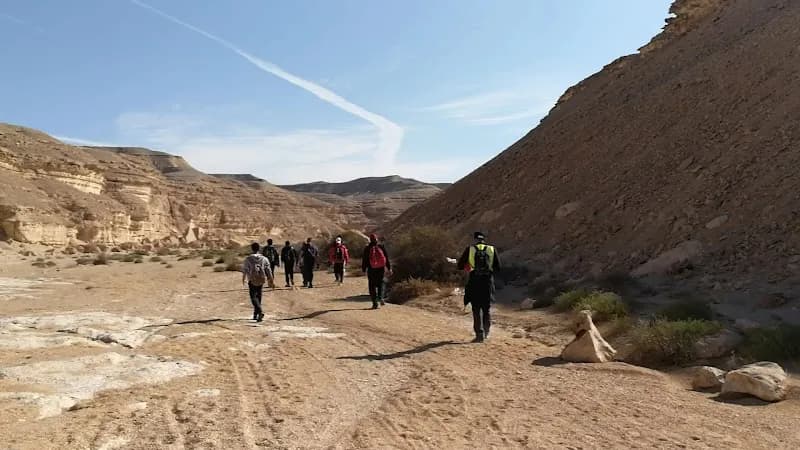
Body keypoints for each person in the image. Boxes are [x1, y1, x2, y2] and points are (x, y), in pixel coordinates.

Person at [457, 231, 501, 343]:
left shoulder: (470, 249)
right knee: (486, 308)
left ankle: (479, 334)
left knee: (476, 309)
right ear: (484, 239)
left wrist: (468, 266)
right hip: (487, 282)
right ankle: (486, 332)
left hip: (474, 281)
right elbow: (498, 267)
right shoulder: (491, 249)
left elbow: (460, 265)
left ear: (475, 239)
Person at [241, 242, 274, 322]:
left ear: (252, 249)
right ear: (259, 249)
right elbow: (268, 269)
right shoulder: (264, 259)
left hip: (252, 279)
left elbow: (245, 270)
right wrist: (271, 279)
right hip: (261, 279)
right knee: (259, 295)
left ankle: (259, 311)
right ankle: (256, 314)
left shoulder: (248, 259)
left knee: (253, 297)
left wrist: (243, 278)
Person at [362, 234, 391, 309]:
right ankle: (381, 297)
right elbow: (386, 258)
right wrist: (389, 268)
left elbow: (364, 259)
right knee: (381, 283)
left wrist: (363, 269)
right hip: (381, 268)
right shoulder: (381, 247)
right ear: (376, 240)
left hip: (371, 269)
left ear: (370, 240)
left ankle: (375, 303)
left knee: (372, 286)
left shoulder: (367, 248)